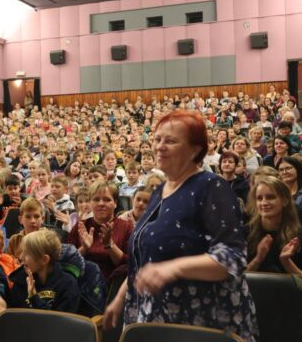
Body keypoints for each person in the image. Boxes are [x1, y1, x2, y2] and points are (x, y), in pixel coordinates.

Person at [103, 110, 257, 342]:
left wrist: (174, 268)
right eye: (157, 139)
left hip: (202, 323)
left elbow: (232, 257)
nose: (159, 146)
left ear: (195, 149)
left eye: (171, 141)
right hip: (156, 318)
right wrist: (121, 297)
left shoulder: (211, 187)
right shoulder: (158, 192)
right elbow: (145, 260)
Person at [0, 229, 80, 314]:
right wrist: (6, 309)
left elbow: (57, 324)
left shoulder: (68, 284)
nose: (21, 257)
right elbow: (15, 311)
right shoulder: (22, 277)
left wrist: (34, 298)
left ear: (44, 259)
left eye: (27, 253)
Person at [246, 176, 302, 285]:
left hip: (290, 297)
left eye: (270, 197)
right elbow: (235, 282)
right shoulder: (246, 232)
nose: (264, 203)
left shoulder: (299, 235)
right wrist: (258, 259)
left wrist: (286, 261)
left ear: (284, 200)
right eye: (259, 198)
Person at [67, 182, 133, 279]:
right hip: (81, 282)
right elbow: (68, 261)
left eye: (107, 200)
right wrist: (84, 248)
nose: (101, 204)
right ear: (90, 202)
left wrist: (109, 245)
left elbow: (129, 264)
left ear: (115, 203)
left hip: (113, 284)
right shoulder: (81, 226)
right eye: (96, 199)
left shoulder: (126, 227)